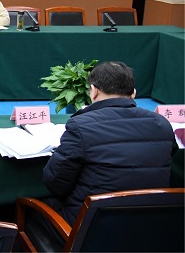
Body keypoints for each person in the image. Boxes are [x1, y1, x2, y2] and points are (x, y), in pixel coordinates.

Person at [42, 61, 178, 225]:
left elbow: (55, 182)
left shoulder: (80, 126)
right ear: (133, 93)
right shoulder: (162, 123)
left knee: (35, 209)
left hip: (88, 227)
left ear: (94, 91)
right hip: (152, 224)